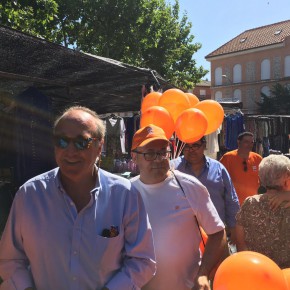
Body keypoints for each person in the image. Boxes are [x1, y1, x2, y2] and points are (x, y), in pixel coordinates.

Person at [0, 106, 156, 290]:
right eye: (62, 141)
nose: (70, 151)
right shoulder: (29, 196)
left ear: (100, 146)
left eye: (82, 142)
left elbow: (142, 260)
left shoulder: (124, 195)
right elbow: (10, 259)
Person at [130, 124, 226, 290]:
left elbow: (217, 233)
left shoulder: (189, 186)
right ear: (134, 157)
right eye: (150, 154)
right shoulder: (126, 192)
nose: (158, 159)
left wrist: (203, 273)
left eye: (162, 152)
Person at [171, 137, 240, 244]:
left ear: (204, 146)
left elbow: (231, 199)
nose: (191, 150)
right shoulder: (172, 168)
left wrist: (234, 226)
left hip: (214, 234)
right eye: (187, 147)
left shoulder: (218, 169)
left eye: (196, 146)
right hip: (181, 236)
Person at [235, 154, 290, 268]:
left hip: (259, 273)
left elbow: (240, 245)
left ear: (260, 179)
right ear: (287, 178)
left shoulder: (250, 204)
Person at [220, 131, 262, 205]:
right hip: (233, 203)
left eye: (251, 142)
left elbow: (263, 179)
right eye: (246, 142)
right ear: (239, 142)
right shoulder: (228, 157)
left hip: (252, 203)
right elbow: (219, 178)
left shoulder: (258, 158)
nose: (249, 145)